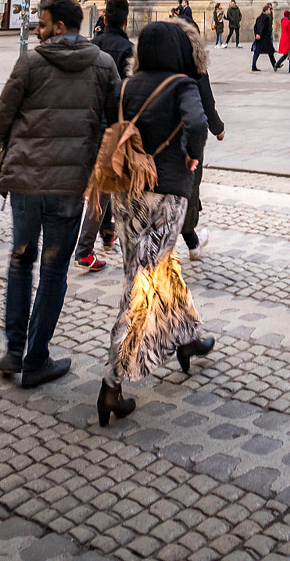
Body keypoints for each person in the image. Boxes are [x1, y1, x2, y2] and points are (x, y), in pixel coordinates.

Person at [0, 0, 120, 388]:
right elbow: (115, 122)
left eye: (43, 24)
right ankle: (35, 360)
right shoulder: (103, 65)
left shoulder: (30, 62)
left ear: (60, 27)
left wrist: (14, 152)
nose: (37, 29)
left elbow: (1, 118)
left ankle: (15, 351)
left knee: (20, 261)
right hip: (68, 186)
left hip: (26, 186)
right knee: (52, 272)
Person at [98, 21, 213, 427]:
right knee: (143, 280)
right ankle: (112, 383)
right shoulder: (182, 84)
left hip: (127, 193)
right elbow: (197, 123)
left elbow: (106, 125)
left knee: (158, 264)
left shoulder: (125, 86)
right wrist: (192, 155)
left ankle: (187, 339)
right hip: (166, 194)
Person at [75, 0, 134, 274]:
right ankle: (84, 250)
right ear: (125, 20)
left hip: (86, 122)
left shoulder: (92, 46)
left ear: (104, 19)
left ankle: (107, 232)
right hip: (111, 127)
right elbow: (127, 92)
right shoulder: (128, 49)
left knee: (103, 184)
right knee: (102, 187)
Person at [176, 12, 225, 259]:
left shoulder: (158, 65)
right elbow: (206, 102)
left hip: (160, 137)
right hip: (187, 139)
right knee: (189, 188)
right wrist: (217, 128)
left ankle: (190, 240)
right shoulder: (197, 69)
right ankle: (190, 237)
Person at [251, 3, 276, 70]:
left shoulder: (259, 18)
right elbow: (263, 27)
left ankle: (253, 65)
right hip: (264, 38)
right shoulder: (266, 18)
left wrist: (257, 34)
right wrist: (260, 34)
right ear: (266, 10)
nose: (270, 11)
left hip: (259, 38)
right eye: (269, 10)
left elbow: (255, 27)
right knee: (270, 51)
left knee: (257, 52)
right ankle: (275, 65)